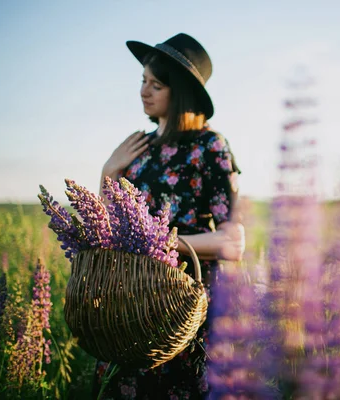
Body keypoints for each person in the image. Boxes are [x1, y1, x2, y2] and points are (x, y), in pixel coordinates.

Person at [93, 32, 244, 399]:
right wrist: (108, 172)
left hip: (185, 299)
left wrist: (162, 242)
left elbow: (233, 242)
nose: (144, 91)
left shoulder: (210, 145)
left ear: (180, 94)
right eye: (143, 81)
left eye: (156, 84)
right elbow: (106, 227)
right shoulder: (136, 147)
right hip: (133, 297)